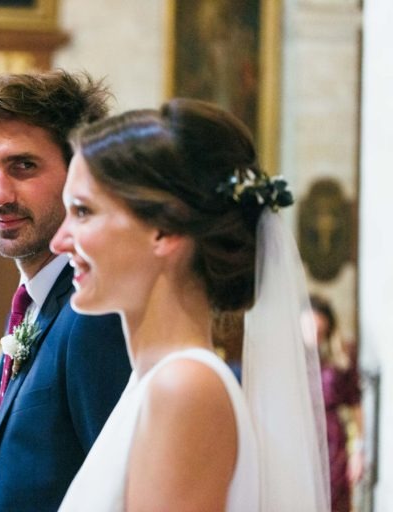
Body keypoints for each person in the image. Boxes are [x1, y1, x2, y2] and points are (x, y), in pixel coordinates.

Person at [51, 98, 330, 511]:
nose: (60, 241)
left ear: (163, 230)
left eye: (83, 212)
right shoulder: (153, 382)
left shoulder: (183, 388)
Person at [0, 70, 132, 512]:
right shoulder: (39, 301)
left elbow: (120, 492)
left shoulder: (94, 316)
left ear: (80, 173)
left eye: (23, 166)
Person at [310, 294, 365, 512]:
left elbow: (355, 404)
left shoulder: (338, 361)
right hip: (300, 439)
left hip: (333, 444)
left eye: (320, 331)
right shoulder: (288, 364)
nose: (314, 335)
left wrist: (358, 451)